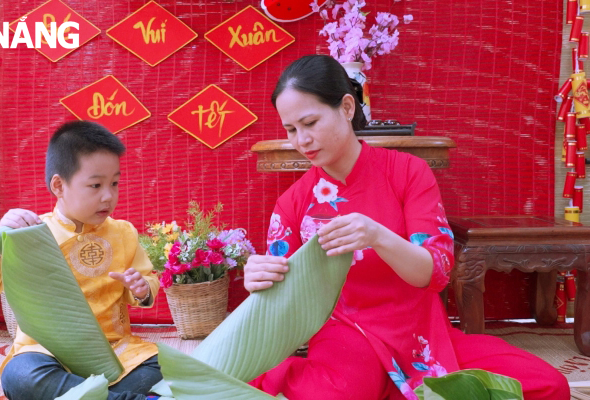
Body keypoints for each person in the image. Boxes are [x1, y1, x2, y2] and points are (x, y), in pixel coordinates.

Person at [244, 55, 570, 400]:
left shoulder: (408, 173)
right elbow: (284, 308)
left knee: (547, 386)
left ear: (346, 107)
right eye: (291, 129)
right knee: (345, 393)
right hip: (346, 336)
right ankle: (282, 380)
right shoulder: (293, 203)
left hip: (419, 334)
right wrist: (261, 281)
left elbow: (435, 272)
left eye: (310, 122)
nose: (302, 140)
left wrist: (377, 235)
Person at [0, 121, 162, 400]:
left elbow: (147, 280)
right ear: (59, 185)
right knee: (21, 377)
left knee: (157, 367)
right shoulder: (29, 234)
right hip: (45, 353)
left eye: (114, 183)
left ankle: (86, 395)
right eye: (95, 185)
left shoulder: (123, 232)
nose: (108, 196)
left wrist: (141, 288)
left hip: (113, 351)